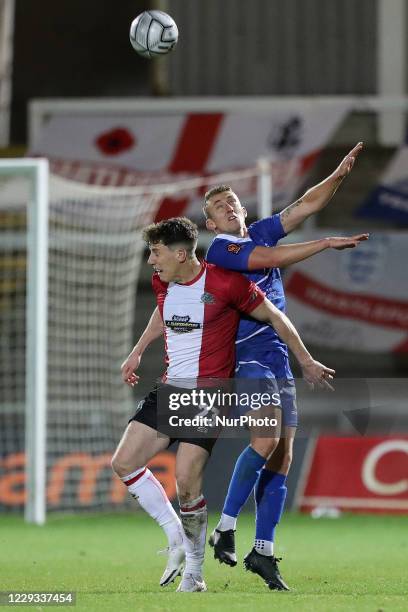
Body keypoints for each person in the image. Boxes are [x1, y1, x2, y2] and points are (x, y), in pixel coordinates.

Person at [113, 216, 335, 593]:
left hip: (209, 394)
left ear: (182, 254)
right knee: (124, 462)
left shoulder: (226, 283)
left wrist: (306, 359)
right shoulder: (163, 281)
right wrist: (137, 351)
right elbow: (162, 309)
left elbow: (276, 316)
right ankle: (176, 538)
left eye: (156, 252)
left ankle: (195, 573)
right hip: (170, 388)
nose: (151, 261)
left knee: (186, 485)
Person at [204, 142, 367, 590]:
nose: (228, 207)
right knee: (265, 438)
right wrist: (326, 243)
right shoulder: (220, 252)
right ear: (211, 222)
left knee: (283, 454)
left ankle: (264, 551)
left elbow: (304, 205)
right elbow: (272, 261)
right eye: (219, 206)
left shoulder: (259, 231)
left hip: (278, 355)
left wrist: (339, 175)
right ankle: (224, 525)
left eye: (232, 201)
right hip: (250, 355)